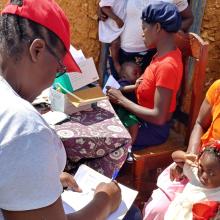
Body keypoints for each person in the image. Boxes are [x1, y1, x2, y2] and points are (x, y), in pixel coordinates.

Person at [0, 0, 123, 219]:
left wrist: (39, 183)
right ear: (37, 50)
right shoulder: (23, 127)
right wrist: (105, 200)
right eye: (59, 68)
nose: (53, 81)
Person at [107, 2, 183, 149]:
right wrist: (121, 93)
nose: (142, 33)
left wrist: (121, 100)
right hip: (142, 117)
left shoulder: (167, 65)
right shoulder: (161, 55)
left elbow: (159, 117)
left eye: (144, 28)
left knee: (105, 139)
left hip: (152, 128)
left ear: (158, 28)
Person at [143, 79, 220, 220]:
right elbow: (199, 123)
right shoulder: (218, 88)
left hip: (214, 183)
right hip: (203, 163)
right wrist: (190, 157)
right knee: (157, 209)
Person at [99, 0, 194, 83]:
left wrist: (168, 31)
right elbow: (112, 4)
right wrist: (103, 8)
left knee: (145, 93)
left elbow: (188, 18)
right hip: (122, 53)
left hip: (154, 54)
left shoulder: (165, 64)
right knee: (117, 91)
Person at [164, 140, 220, 220]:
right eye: (202, 167)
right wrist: (185, 156)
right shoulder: (195, 172)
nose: (204, 176)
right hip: (177, 214)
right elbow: (174, 156)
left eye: (211, 174)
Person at [98, 0, 127, 83]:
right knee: (105, 60)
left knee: (113, 60)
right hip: (109, 30)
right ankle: (101, 85)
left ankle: (118, 84)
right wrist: (117, 19)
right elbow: (104, 7)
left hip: (116, 29)